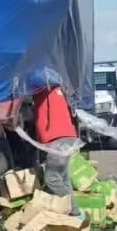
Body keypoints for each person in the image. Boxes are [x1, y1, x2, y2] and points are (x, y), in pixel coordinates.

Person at [32, 84, 81, 216]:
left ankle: (75, 211)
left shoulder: (42, 89)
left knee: (52, 179)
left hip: (57, 139)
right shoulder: (57, 89)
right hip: (68, 136)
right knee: (64, 178)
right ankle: (73, 213)